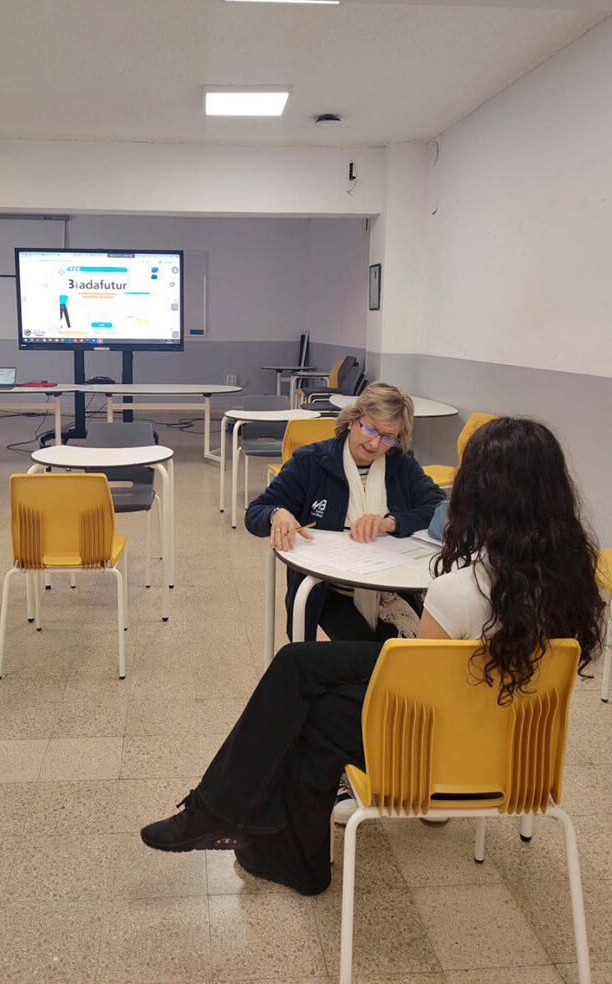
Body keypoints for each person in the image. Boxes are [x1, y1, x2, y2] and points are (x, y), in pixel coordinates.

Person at [141, 417, 605, 895]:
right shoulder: (575, 580)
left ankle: (248, 831)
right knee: (298, 663)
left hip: (439, 744)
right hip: (520, 745)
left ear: (479, 492)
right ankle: (226, 817)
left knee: (309, 707)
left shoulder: (459, 590)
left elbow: (418, 697)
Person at [245, 382, 445, 643]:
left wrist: (391, 522)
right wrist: (276, 513)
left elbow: (437, 508)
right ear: (353, 419)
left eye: (388, 437)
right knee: (373, 654)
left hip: (391, 588)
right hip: (329, 589)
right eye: (370, 429)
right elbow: (256, 512)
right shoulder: (310, 462)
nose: (375, 443)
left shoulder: (401, 463)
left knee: (416, 651)